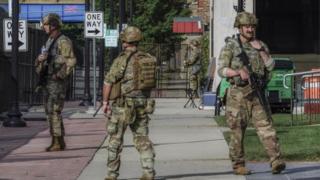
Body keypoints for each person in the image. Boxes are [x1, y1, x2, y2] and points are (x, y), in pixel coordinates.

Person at [217, 11, 286, 175]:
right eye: (247, 26)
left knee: (267, 127)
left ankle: (276, 160)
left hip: (257, 94)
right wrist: (237, 72)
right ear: (239, 28)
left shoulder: (260, 44)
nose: (250, 29)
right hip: (238, 95)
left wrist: (261, 50)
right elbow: (221, 70)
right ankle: (238, 164)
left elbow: (270, 66)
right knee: (237, 132)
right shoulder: (231, 46)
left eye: (252, 26)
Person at [102, 26, 156, 180]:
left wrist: (105, 102)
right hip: (142, 104)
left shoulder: (121, 60)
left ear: (125, 41)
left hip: (122, 106)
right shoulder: (147, 58)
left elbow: (108, 82)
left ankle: (112, 175)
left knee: (115, 140)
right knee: (142, 139)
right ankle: (148, 172)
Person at [34, 13, 76, 151]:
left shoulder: (63, 41)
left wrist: (60, 75)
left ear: (53, 25)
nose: (44, 27)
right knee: (49, 111)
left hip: (56, 82)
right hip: (48, 82)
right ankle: (57, 140)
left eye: (45, 25)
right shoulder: (50, 41)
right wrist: (40, 60)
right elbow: (46, 59)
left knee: (54, 111)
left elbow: (71, 61)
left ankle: (57, 141)